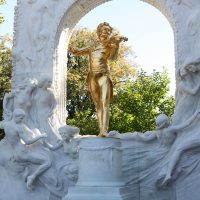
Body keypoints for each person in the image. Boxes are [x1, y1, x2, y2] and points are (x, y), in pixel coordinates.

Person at [70, 22, 128, 137]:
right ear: (99, 31)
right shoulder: (92, 47)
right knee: (98, 106)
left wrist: (117, 44)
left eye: (108, 30)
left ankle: (104, 130)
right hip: (92, 77)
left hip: (104, 75)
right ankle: (100, 128)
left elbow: (113, 57)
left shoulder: (110, 45)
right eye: (104, 29)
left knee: (104, 102)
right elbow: (77, 51)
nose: (106, 32)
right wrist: (70, 46)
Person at [0, 108, 51, 190]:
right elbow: (28, 141)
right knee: (47, 162)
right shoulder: (18, 128)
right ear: (16, 116)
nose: (21, 120)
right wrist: (40, 136)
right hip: (22, 153)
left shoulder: (6, 125)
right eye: (21, 118)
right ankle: (32, 177)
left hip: (16, 153)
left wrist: (9, 115)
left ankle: (26, 172)